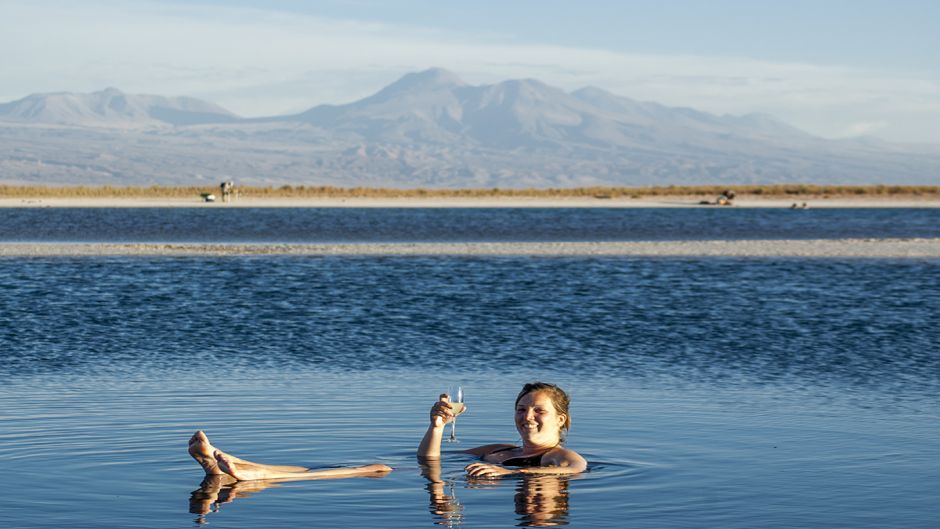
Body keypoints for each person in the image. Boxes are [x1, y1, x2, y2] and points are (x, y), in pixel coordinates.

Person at [418, 382, 588, 477]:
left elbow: (576, 468)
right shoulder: (499, 449)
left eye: (539, 411)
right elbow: (431, 461)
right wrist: (436, 427)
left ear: (560, 419)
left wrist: (511, 472)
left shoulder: (560, 456)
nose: (527, 417)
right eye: (521, 410)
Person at [188, 430, 392, 481]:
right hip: (414, 464)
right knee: (305, 470)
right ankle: (233, 463)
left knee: (377, 468)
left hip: (391, 468)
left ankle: (249, 471)